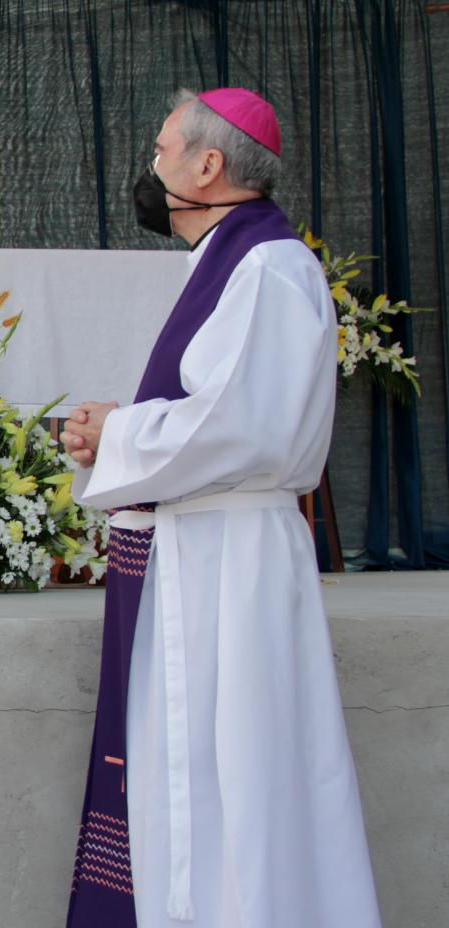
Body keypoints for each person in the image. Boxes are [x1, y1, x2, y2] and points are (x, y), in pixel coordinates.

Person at [59, 89, 381, 927]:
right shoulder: (230, 260)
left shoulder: (268, 267)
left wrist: (119, 430)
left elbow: (242, 427)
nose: (152, 164)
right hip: (200, 548)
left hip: (230, 559)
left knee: (236, 768)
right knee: (197, 765)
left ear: (207, 165)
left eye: (162, 147)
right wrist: (117, 433)